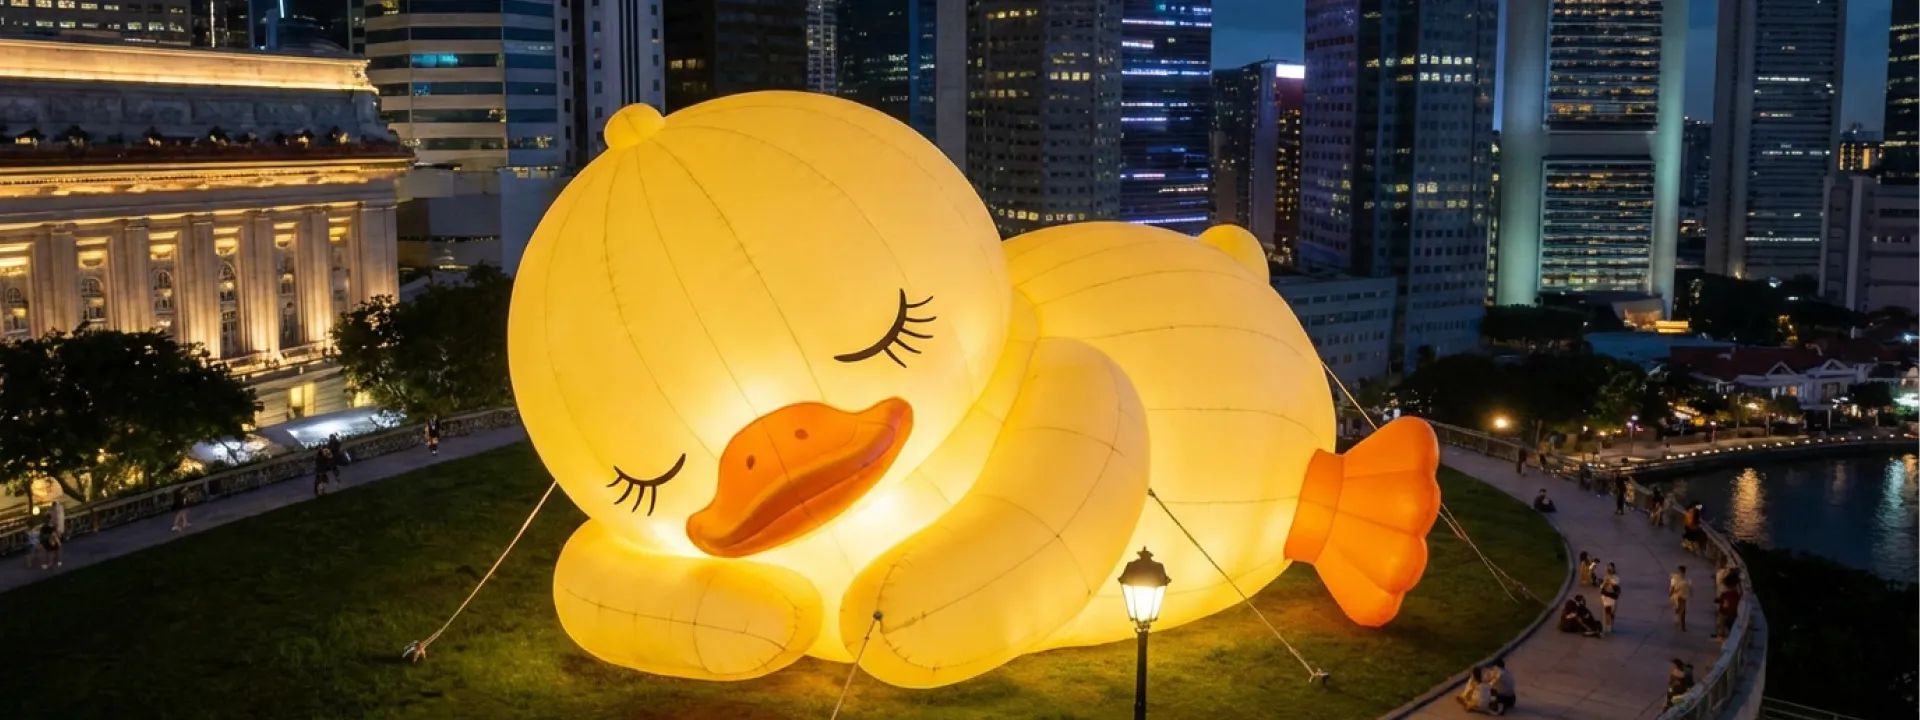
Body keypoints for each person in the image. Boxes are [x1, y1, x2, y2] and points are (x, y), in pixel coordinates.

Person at [1600, 563, 1622, 635]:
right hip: (1609, 598)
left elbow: (1602, 589)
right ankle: (1608, 628)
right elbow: (1617, 590)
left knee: (1609, 613)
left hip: (1608, 598)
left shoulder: (1610, 578)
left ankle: (1607, 627)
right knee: (1609, 613)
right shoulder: (1613, 578)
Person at [1669, 564, 1692, 632]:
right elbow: (1672, 587)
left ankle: (1679, 623)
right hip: (1677, 596)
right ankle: (1681, 624)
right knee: (1680, 610)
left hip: (1684, 596)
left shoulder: (1687, 579)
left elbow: (1690, 587)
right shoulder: (1675, 578)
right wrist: (1670, 594)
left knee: (1680, 610)